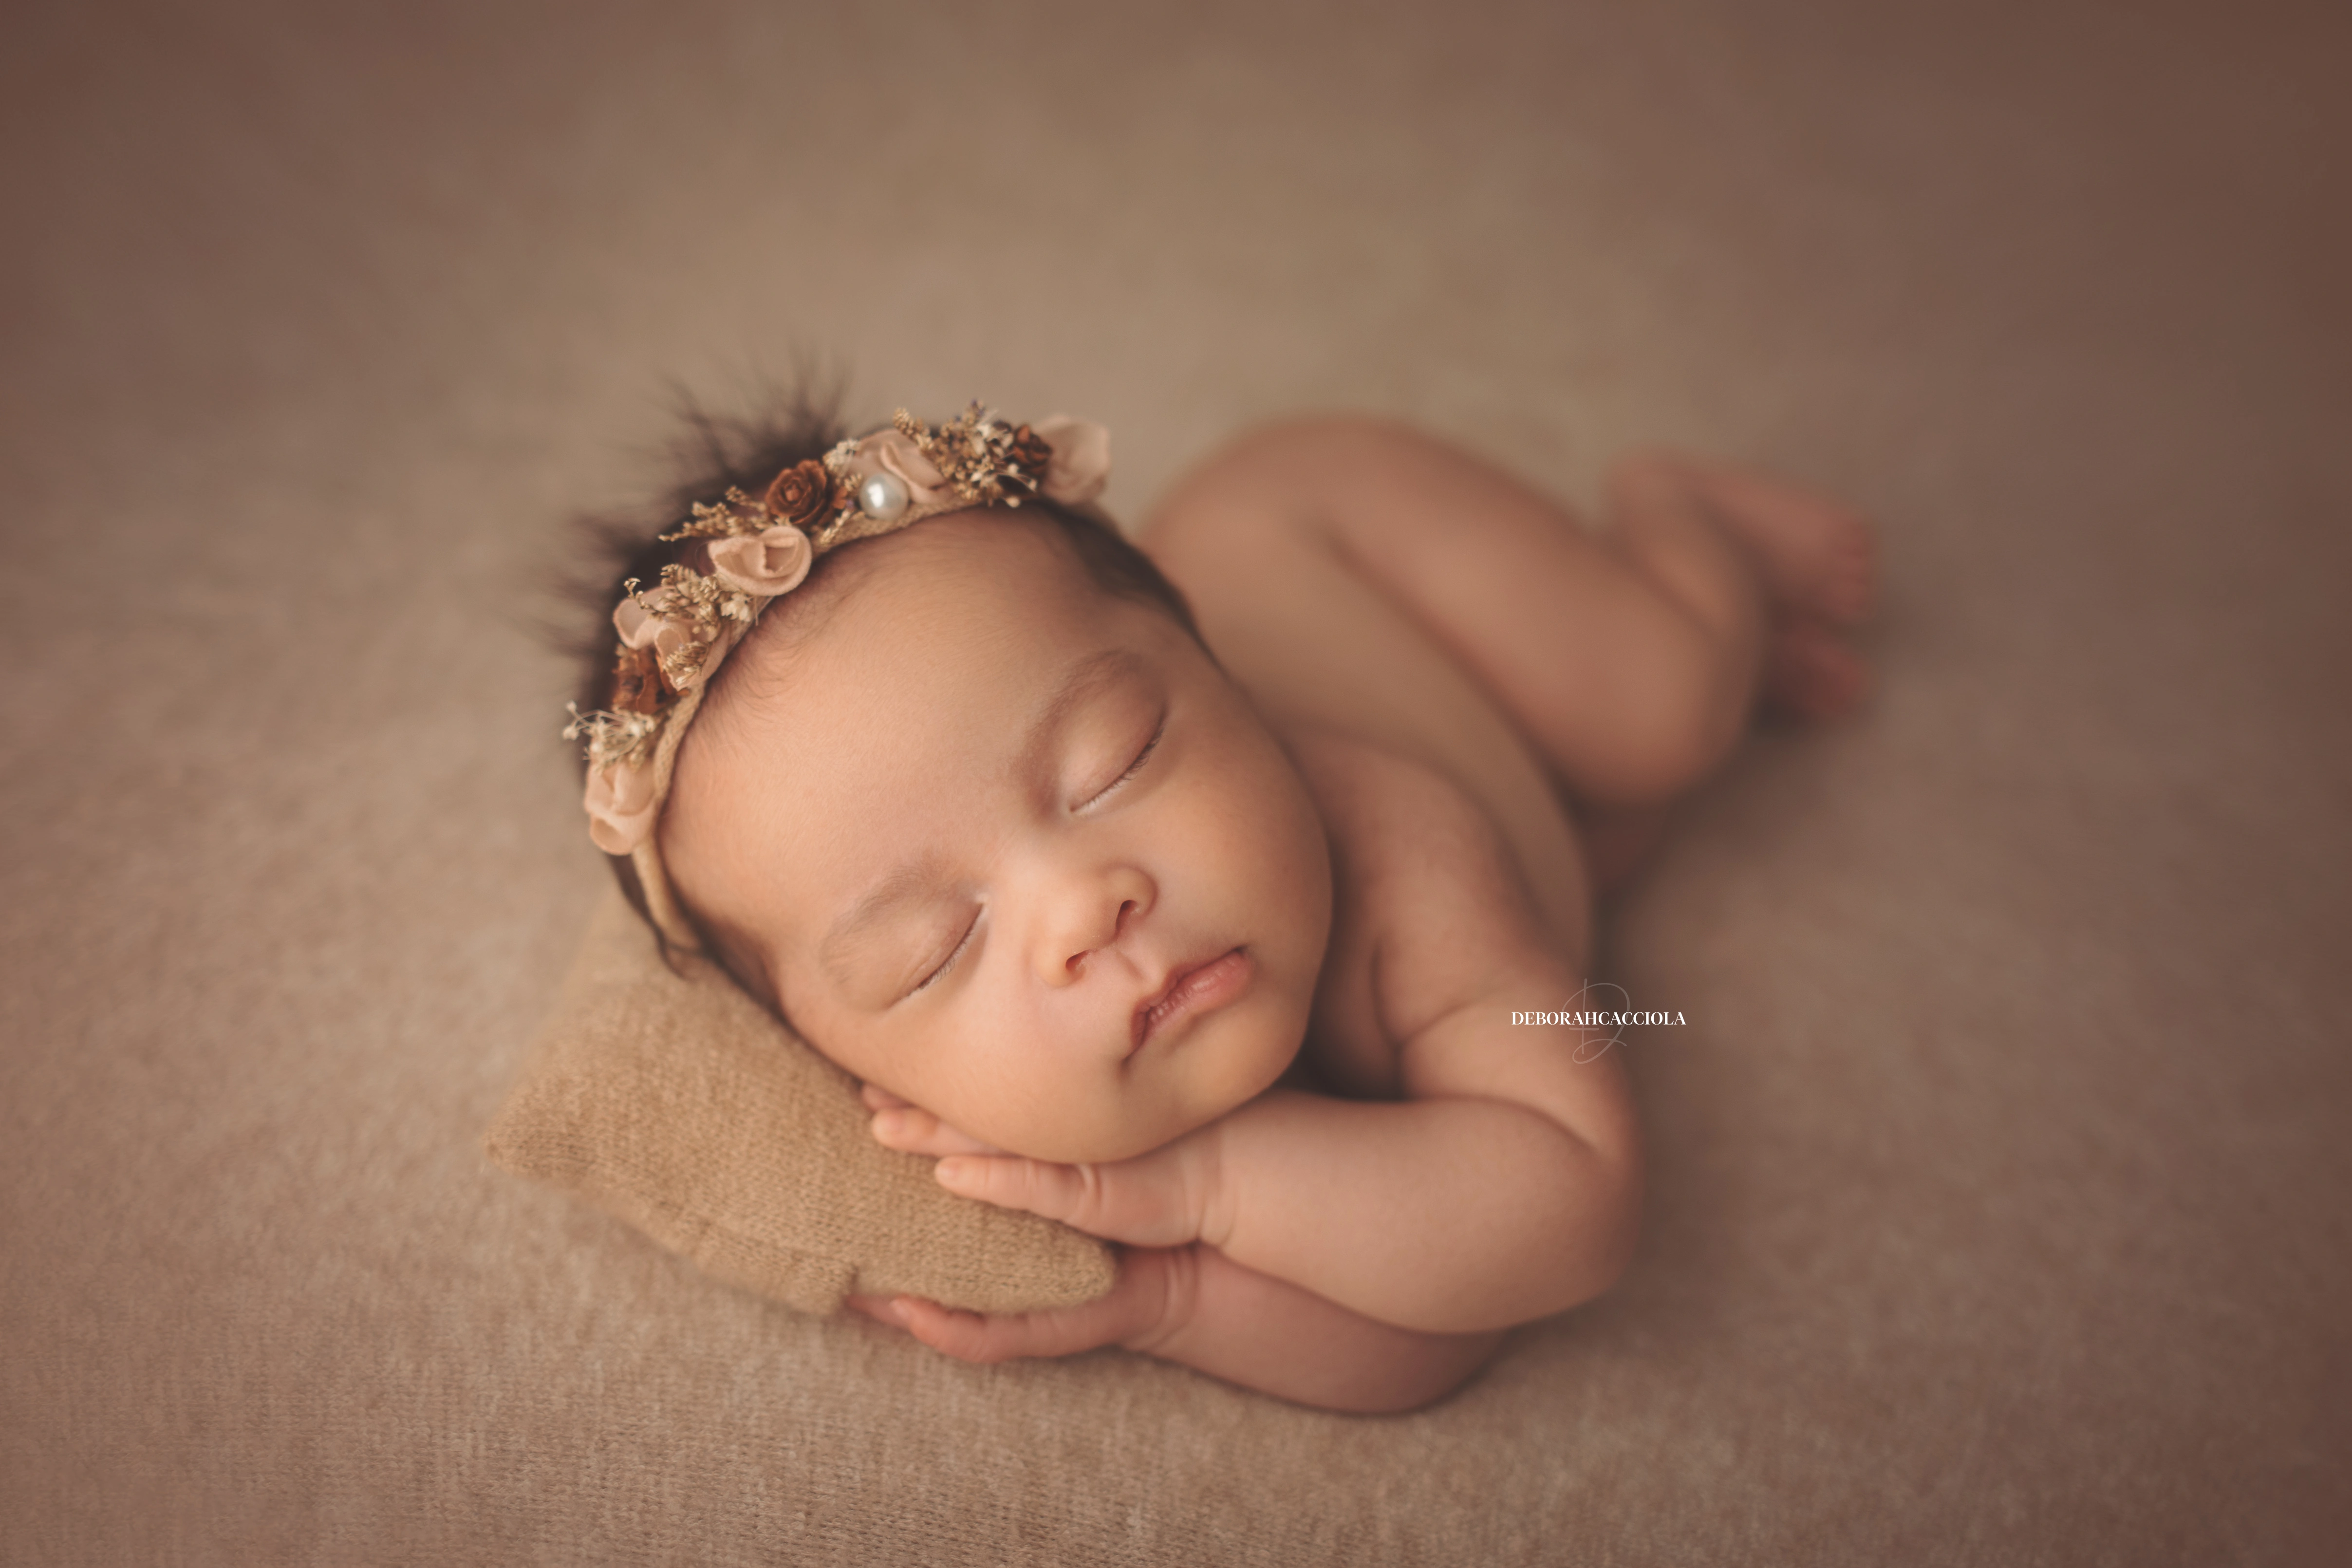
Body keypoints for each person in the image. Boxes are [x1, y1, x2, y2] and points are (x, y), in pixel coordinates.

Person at [560, 397, 1873, 1413]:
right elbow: (1439, 1333)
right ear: (864, 1073)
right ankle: (1576, 814)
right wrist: (1173, 1297)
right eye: (934, 951)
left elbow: (1568, 1207)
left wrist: (1211, 1184)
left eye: (1116, 761)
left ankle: (1680, 524)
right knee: (1598, 842)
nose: (1087, 907)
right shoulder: (1055, 1102)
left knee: (1659, 715)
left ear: (1210, 660)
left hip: (1328, 533)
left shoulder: (1404, 842)